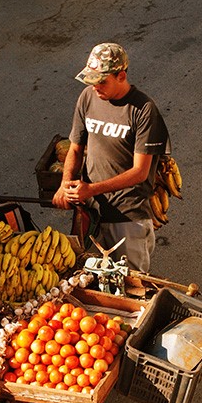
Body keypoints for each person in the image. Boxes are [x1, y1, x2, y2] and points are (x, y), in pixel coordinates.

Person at [52, 43, 170, 272]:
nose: (96, 87)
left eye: (102, 81)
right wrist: (65, 184)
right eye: (92, 81)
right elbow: (75, 148)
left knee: (131, 284)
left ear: (121, 76)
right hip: (92, 212)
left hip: (127, 215)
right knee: (91, 281)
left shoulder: (143, 110)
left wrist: (92, 189)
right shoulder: (87, 97)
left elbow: (140, 172)